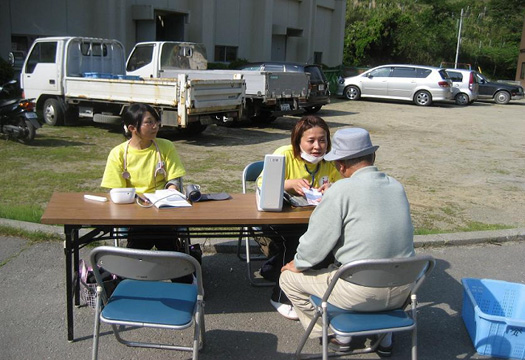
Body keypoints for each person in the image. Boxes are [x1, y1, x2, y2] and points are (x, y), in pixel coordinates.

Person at [279, 127, 415, 356]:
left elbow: (315, 245)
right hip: (404, 288)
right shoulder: (396, 186)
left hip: (359, 290)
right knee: (357, 270)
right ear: (373, 157)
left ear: (341, 166)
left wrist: (298, 263)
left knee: (288, 279)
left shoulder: (341, 190)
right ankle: (385, 335)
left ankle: (335, 334)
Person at [258, 115, 342, 320]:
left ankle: (321, 288)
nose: (317, 146)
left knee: (334, 239)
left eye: (322, 140)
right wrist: (288, 184)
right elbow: (261, 183)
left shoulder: (330, 161)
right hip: (278, 217)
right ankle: (280, 296)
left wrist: (333, 188)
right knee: (296, 241)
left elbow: (343, 186)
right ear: (298, 141)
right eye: (311, 141)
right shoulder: (284, 154)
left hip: (315, 219)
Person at [101, 103, 186, 251]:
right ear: (132, 128)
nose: (155, 126)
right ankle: (165, 264)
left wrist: (171, 191)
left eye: (156, 121)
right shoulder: (118, 154)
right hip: (133, 210)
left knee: (160, 228)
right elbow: (116, 190)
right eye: (149, 122)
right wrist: (138, 198)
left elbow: (174, 180)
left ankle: (154, 265)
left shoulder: (166, 147)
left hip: (163, 209)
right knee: (146, 229)